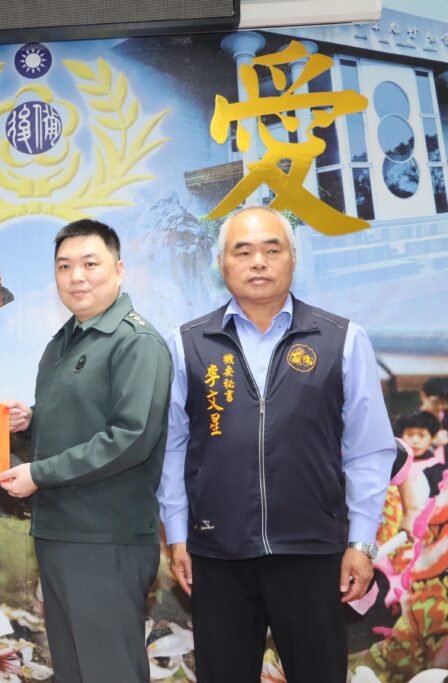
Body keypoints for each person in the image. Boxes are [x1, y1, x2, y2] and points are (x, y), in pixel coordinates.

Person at [157, 205, 396, 682]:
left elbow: (369, 449)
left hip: (312, 552)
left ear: (293, 258)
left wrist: (361, 542)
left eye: (272, 250)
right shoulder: (187, 344)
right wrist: (179, 534)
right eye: (242, 251)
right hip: (217, 554)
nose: (258, 262)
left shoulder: (342, 339)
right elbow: (173, 447)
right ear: (222, 264)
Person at [0, 219, 172, 683]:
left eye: (90, 264)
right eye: (64, 266)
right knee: (74, 671)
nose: (76, 276)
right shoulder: (64, 342)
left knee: (109, 671)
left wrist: (39, 474)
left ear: (119, 269)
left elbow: (130, 437)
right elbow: (81, 417)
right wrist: (30, 419)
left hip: (105, 538)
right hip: (60, 533)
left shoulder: (136, 342)